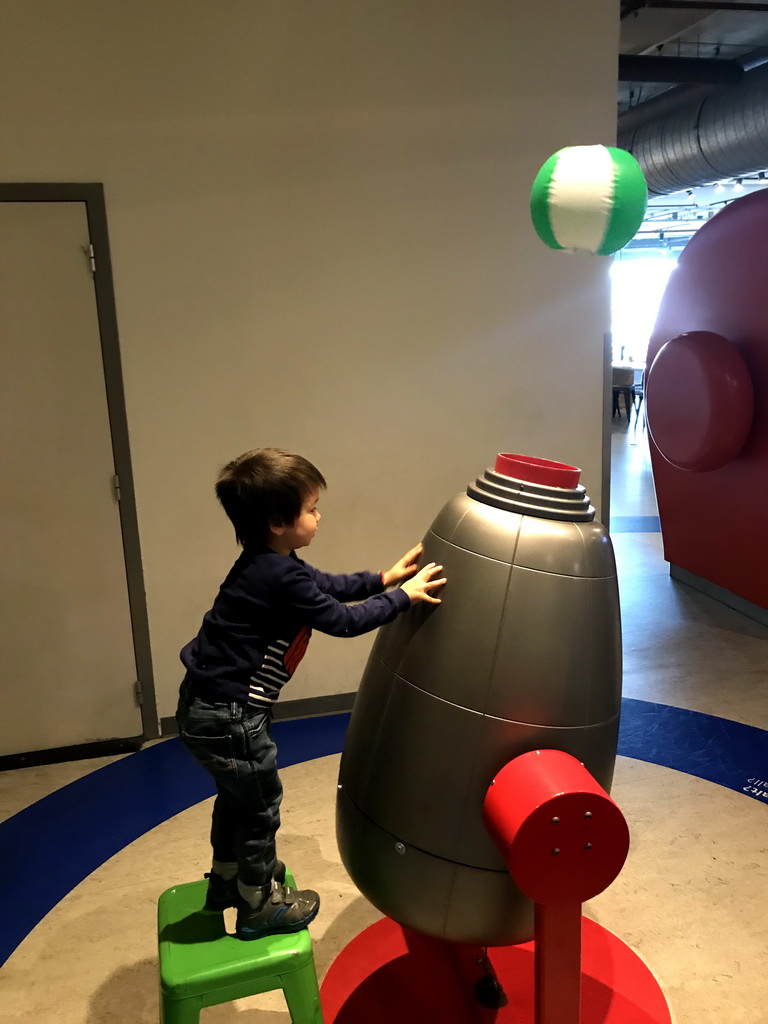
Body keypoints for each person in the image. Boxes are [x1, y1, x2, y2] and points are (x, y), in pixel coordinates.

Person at [176, 447, 446, 940]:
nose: (319, 516)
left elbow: (324, 585)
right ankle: (259, 906)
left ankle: (230, 880)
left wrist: (383, 579)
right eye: (312, 508)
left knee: (237, 800)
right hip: (232, 715)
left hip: (207, 705)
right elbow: (342, 620)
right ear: (279, 521)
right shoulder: (277, 575)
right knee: (260, 806)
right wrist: (401, 600)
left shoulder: (269, 563)